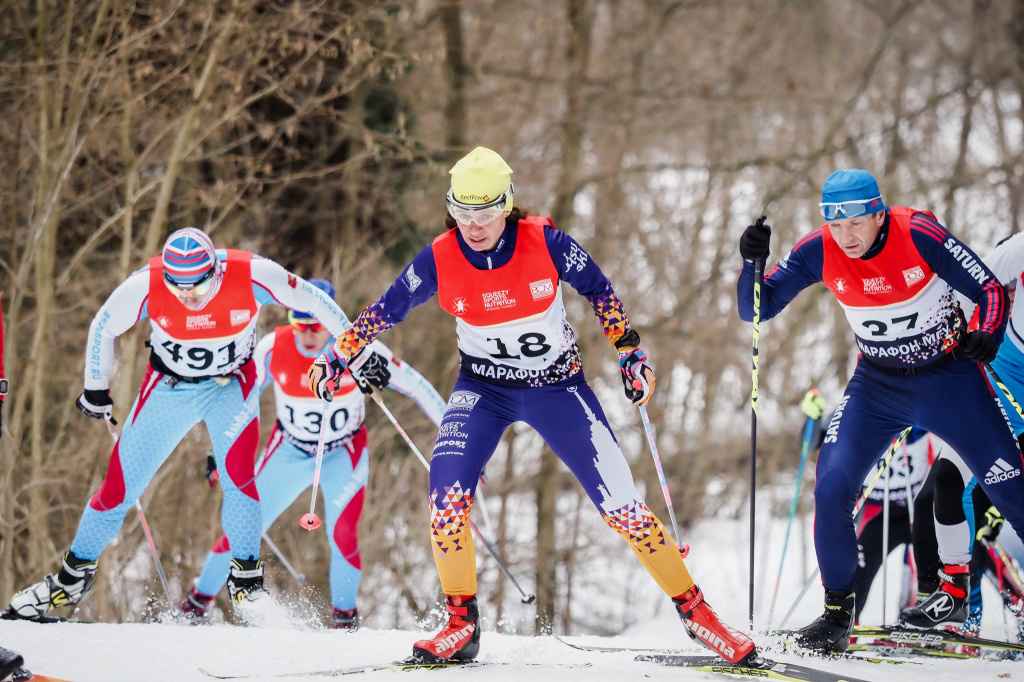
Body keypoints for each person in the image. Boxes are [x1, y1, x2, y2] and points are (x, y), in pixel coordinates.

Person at [306, 147, 757, 664]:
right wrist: (337, 353)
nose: (474, 225)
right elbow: (387, 309)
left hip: (557, 389)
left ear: (508, 205)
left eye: (485, 211)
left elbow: (599, 290)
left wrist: (630, 352)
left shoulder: (545, 242)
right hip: (483, 391)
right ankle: (460, 624)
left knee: (623, 508)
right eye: (462, 211)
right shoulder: (440, 256)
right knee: (445, 503)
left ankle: (698, 615)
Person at [737, 169, 1024, 654]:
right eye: (834, 224)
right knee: (830, 487)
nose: (845, 237)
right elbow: (755, 310)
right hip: (878, 386)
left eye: (854, 223)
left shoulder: (919, 233)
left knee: (1011, 488)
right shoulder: (819, 250)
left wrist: (989, 333)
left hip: (949, 380)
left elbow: (991, 291)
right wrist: (751, 264)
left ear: (877, 212)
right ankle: (834, 617)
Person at [6, 228, 355, 622]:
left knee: (239, 479)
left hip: (231, 387)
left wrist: (352, 350)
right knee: (119, 488)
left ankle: (246, 586)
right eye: (179, 287)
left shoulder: (251, 272)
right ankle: (69, 581)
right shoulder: (147, 283)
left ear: (216, 272)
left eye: (199, 286)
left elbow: (314, 299)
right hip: (169, 389)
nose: (189, 295)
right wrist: (96, 387)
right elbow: (104, 324)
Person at [181, 279, 447, 628]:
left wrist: (457, 436)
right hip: (289, 451)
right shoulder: (273, 347)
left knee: (343, 535)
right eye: (299, 324)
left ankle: (344, 620)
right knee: (245, 525)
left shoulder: (359, 347)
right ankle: (195, 605)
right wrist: (220, 453)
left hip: (343, 453)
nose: (307, 335)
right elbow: (239, 400)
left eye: (316, 326)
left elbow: (418, 386)